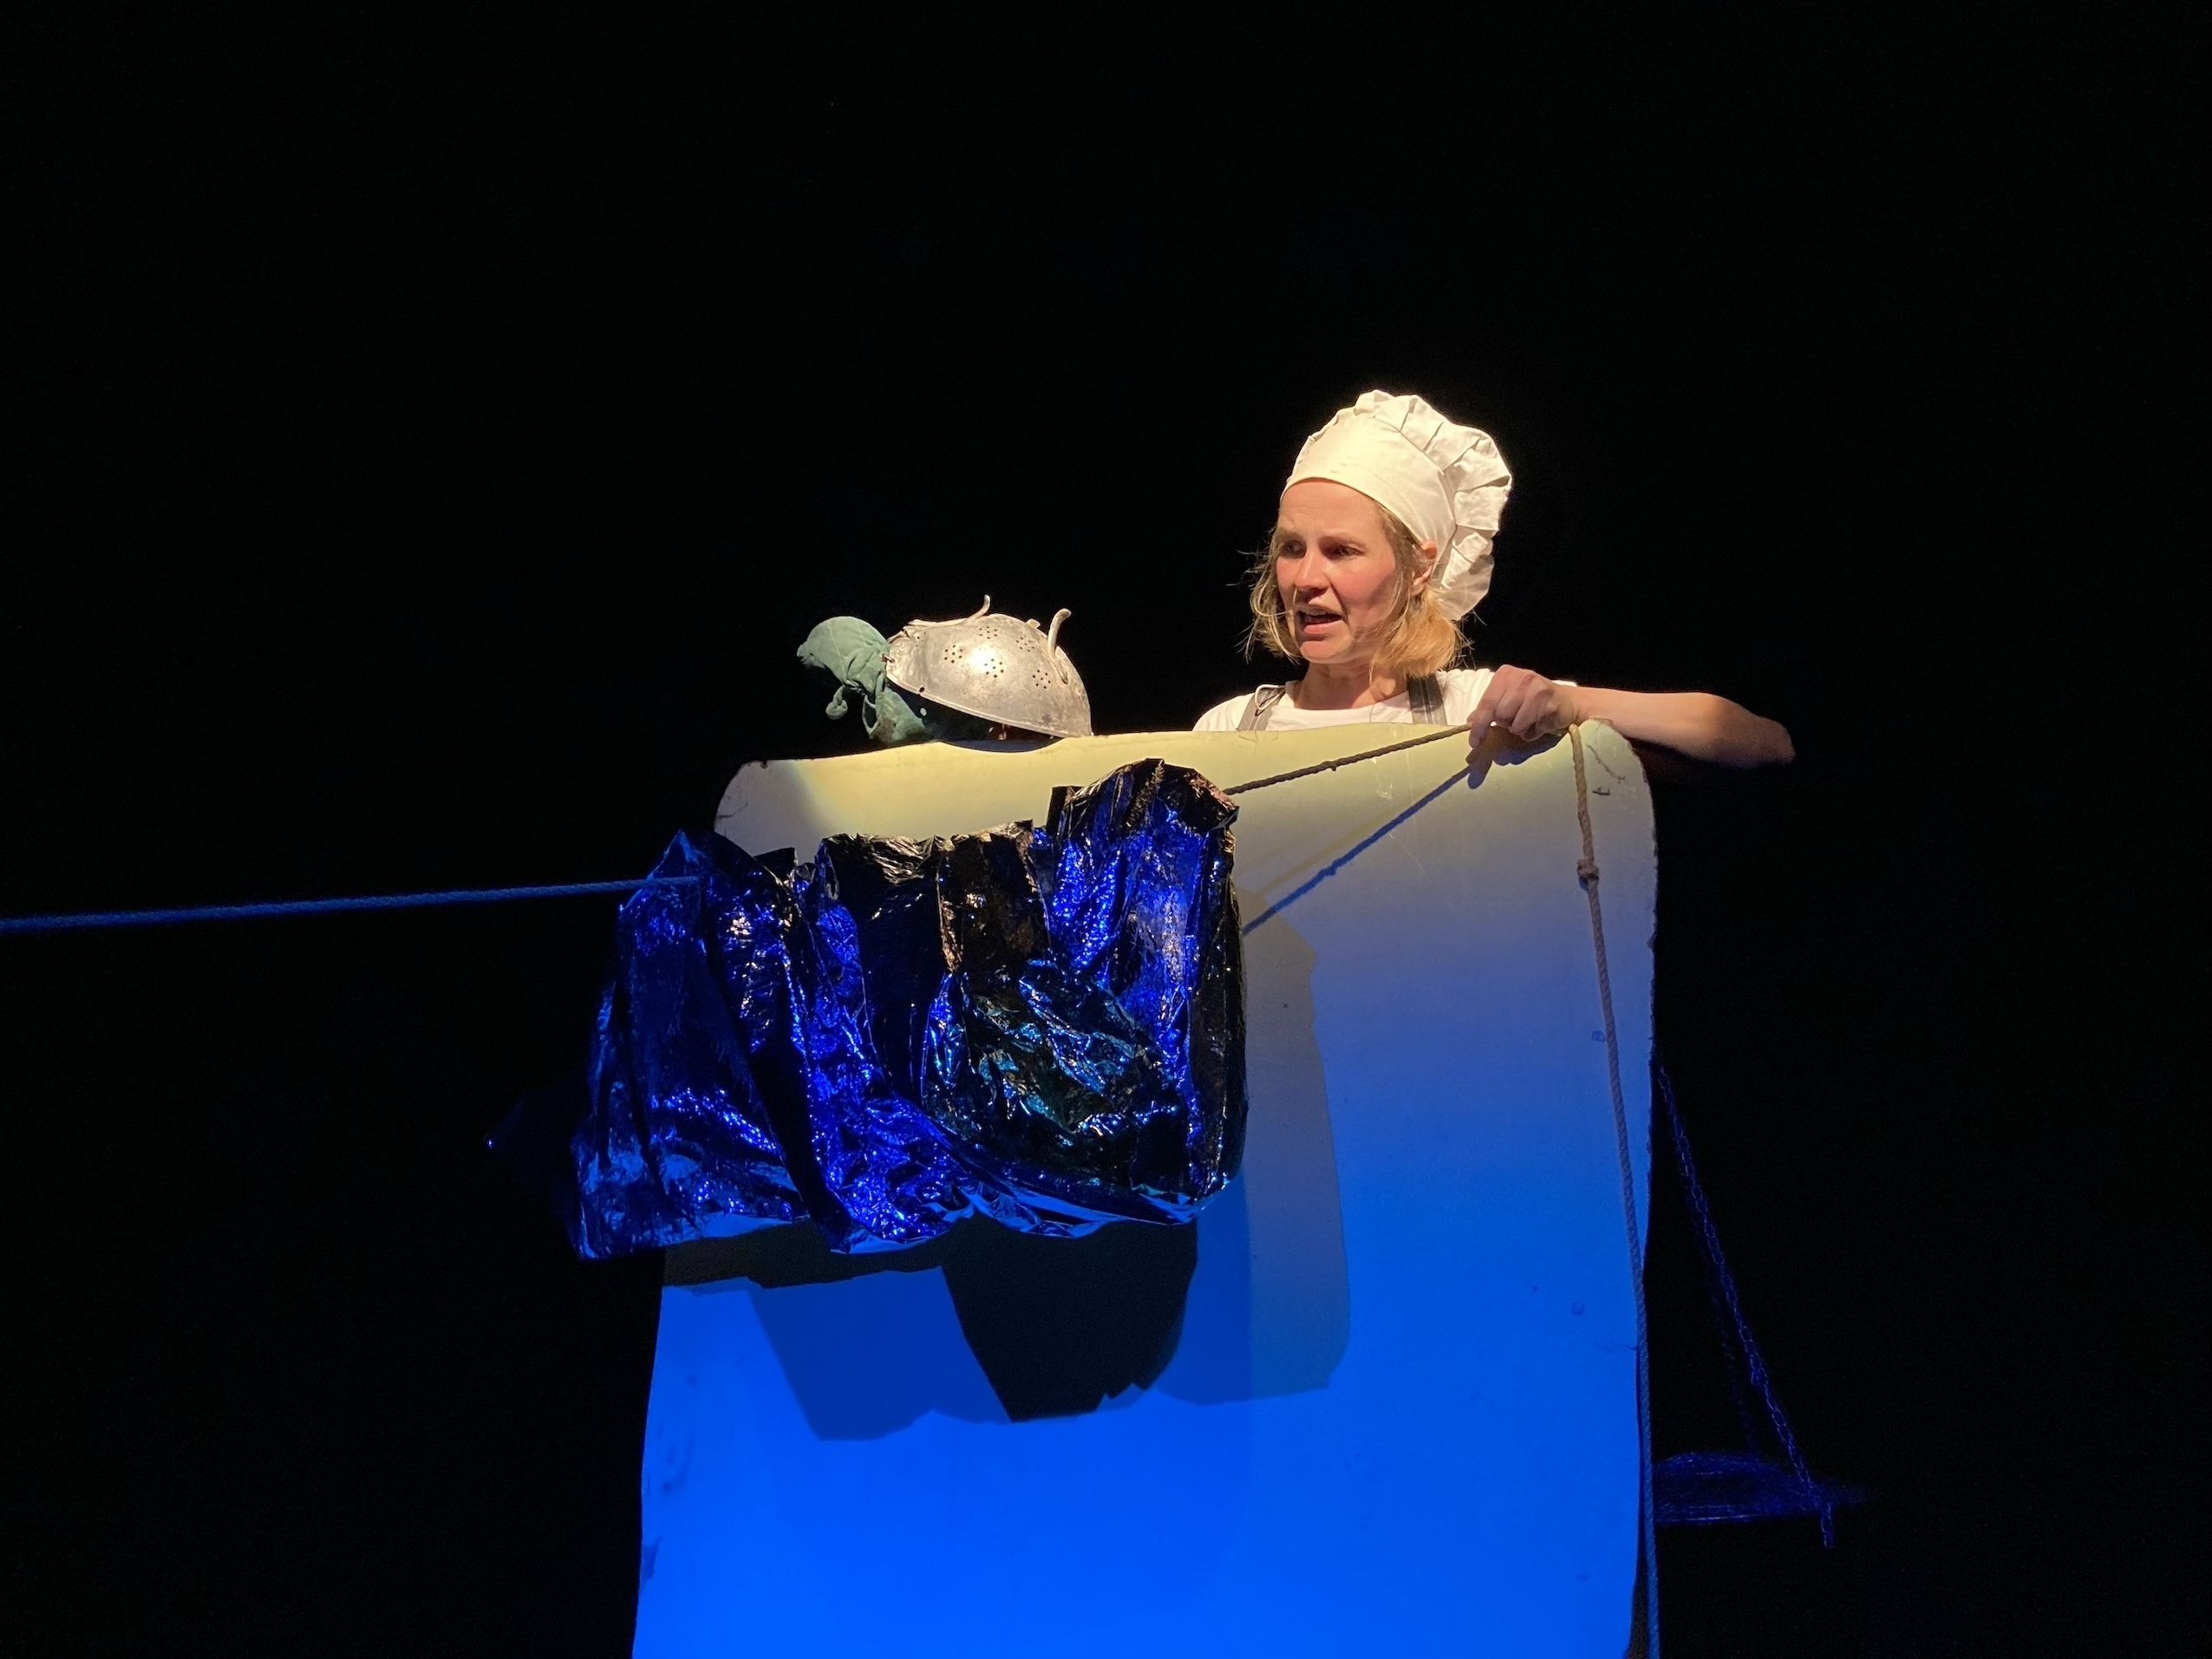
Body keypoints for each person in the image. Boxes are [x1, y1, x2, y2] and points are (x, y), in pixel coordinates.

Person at [1194, 391, 1794, 768]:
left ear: (1419, 568)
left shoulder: (1477, 712)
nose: (1305, 578)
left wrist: (1573, 703)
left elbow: (1764, 742)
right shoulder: (1226, 730)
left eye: (1341, 551)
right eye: (1292, 548)